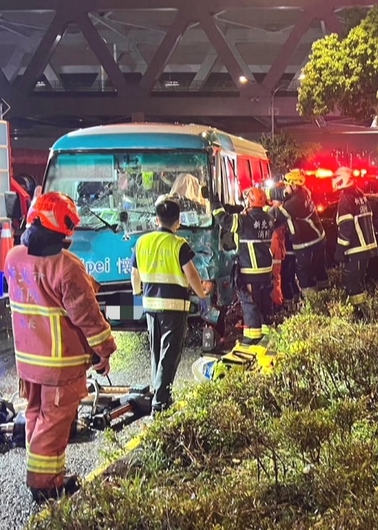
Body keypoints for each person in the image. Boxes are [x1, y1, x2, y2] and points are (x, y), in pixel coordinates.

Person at [4, 192, 117, 503]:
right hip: (60, 365)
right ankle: (45, 483)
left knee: (36, 415)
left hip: (28, 362)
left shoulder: (13, 258)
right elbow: (88, 317)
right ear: (64, 228)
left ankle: (40, 472)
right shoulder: (67, 267)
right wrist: (105, 349)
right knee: (54, 422)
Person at [131, 197, 212, 413]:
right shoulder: (178, 244)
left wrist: (137, 292)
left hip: (150, 305)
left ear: (156, 219)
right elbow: (191, 274)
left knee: (156, 352)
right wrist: (202, 294)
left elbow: (135, 274)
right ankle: (160, 402)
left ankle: (158, 394)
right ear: (178, 221)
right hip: (174, 307)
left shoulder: (141, 242)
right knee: (170, 353)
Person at [212, 187, 276, 343]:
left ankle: (251, 340)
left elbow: (224, 220)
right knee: (264, 302)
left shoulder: (243, 221)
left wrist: (215, 203)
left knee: (250, 303)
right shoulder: (269, 219)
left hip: (250, 270)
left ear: (249, 201)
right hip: (266, 269)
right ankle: (267, 335)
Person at [332, 167, 378, 319]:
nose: (334, 180)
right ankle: (365, 314)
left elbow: (346, 227)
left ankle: (360, 316)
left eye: (336, 177)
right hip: (365, 248)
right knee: (359, 282)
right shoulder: (359, 194)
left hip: (355, 249)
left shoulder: (346, 198)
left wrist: (340, 250)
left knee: (353, 284)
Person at [280, 169, 329, 296]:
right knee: (319, 270)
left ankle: (311, 300)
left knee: (304, 273)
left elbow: (278, 216)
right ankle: (325, 294)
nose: (285, 188)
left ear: (294, 185)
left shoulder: (293, 203)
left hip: (305, 241)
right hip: (318, 237)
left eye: (287, 185)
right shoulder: (304, 193)